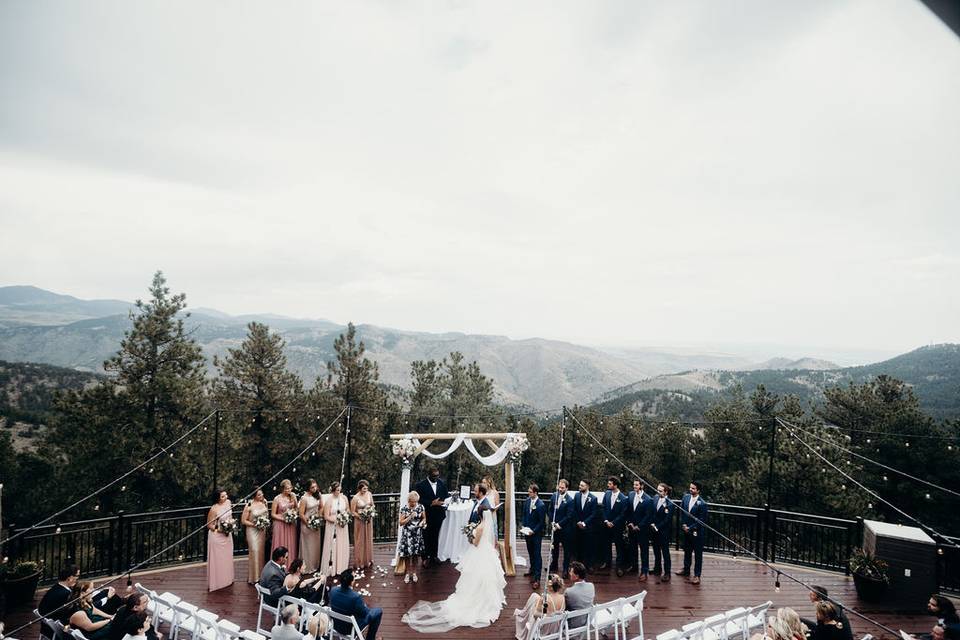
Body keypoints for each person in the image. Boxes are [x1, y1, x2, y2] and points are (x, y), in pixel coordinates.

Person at [402, 499, 506, 632]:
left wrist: (470, 535)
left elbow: (475, 543)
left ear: (479, 515)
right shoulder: (485, 525)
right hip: (486, 552)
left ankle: (476, 601)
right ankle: (486, 599)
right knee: (484, 577)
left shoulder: (480, 527)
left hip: (478, 552)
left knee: (475, 575)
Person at [330, 569, 383, 640]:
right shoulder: (355, 597)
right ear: (351, 582)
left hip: (336, 625)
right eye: (354, 577)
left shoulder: (333, 590)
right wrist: (364, 606)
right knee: (378, 611)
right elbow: (364, 614)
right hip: (351, 629)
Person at [413, 466, 449, 566]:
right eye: (434, 476)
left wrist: (443, 502)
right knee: (426, 536)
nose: (436, 478)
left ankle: (434, 556)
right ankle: (425, 558)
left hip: (438, 514)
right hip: (426, 514)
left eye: (437, 476)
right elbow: (418, 499)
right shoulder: (420, 485)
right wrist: (431, 503)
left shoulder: (441, 483)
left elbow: (446, 496)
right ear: (429, 475)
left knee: (435, 535)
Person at [514, 574, 565, 640]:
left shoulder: (545, 598)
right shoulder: (562, 597)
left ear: (550, 587)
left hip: (544, 628)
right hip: (555, 627)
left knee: (533, 605)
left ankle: (523, 615)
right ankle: (523, 613)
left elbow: (535, 615)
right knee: (534, 596)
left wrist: (536, 605)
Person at [676, 480, 708, 584]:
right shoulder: (685, 497)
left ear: (698, 490)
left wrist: (690, 528)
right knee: (687, 551)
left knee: (698, 554)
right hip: (686, 530)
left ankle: (697, 575)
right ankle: (686, 569)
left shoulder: (702, 504)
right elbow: (682, 512)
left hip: (697, 532)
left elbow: (701, 521)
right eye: (690, 487)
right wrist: (684, 525)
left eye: (693, 488)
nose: (691, 489)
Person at [599, 476, 629, 575]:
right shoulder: (607, 494)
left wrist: (614, 522)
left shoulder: (623, 498)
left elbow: (623, 514)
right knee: (606, 544)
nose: (608, 485)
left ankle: (619, 566)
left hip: (617, 526)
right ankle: (607, 562)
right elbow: (603, 508)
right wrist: (606, 521)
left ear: (615, 485)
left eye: (610, 484)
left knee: (618, 546)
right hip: (606, 525)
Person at [206, 489, 235, 591]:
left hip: (227, 535)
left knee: (227, 558)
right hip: (217, 537)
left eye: (226, 495)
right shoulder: (214, 509)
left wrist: (230, 525)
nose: (225, 497)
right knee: (218, 559)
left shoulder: (228, 503)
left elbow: (230, 517)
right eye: (223, 496)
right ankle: (217, 582)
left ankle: (227, 579)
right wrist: (220, 529)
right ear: (218, 498)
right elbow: (209, 525)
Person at [626, 479, 654, 582]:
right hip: (631, 527)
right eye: (634, 484)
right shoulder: (630, 495)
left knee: (644, 551)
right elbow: (628, 510)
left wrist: (639, 526)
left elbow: (648, 516)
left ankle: (644, 571)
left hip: (642, 530)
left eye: (637, 485)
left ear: (642, 486)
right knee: (632, 548)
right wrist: (630, 522)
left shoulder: (648, 499)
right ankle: (634, 566)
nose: (634, 486)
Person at [321, 481, 350, 576]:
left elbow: (347, 510)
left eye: (340, 489)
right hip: (332, 526)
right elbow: (326, 516)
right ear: (333, 491)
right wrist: (336, 520)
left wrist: (345, 518)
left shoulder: (344, 498)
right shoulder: (329, 501)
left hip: (343, 526)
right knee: (333, 545)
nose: (339, 491)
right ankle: (332, 568)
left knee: (342, 544)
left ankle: (342, 567)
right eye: (337, 490)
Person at [241, 488, 270, 583]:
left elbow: (267, 515)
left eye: (262, 494)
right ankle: (253, 577)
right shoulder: (249, 505)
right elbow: (243, 520)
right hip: (252, 531)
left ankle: (261, 575)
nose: (261, 496)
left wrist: (264, 523)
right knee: (254, 550)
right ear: (254, 496)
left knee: (261, 552)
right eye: (259, 495)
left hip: (262, 531)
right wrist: (255, 525)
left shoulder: (264, 502)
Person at [398, 490, 426, 584]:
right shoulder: (404, 509)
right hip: (407, 535)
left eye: (415, 501)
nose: (414, 503)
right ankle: (407, 573)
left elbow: (424, 518)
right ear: (409, 501)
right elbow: (401, 523)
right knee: (407, 555)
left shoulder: (421, 507)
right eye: (412, 502)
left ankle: (414, 573)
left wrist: (423, 523)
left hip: (417, 534)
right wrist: (410, 517)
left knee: (415, 555)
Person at [521, 484, 546, 588]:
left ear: (535, 493)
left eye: (530, 492)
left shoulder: (541, 505)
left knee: (537, 554)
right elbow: (524, 515)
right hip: (527, 532)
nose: (528, 493)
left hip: (536, 534)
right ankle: (532, 569)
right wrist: (524, 526)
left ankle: (537, 578)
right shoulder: (527, 502)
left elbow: (541, 522)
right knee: (530, 552)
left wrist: (534, 531)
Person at [548, 479, 574, 579]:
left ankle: (565, 569)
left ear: (567, 488)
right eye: (559, 487)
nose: (560, 489)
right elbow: (550, 510)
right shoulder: (554, 496)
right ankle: (554, 565)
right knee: (554, 547)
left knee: (566, 550)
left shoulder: (570, 500)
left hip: (565, 529)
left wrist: (559, 524)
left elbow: (569, 516)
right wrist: (552, 521)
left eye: (562, 488)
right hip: (555, 527)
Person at [271, 480, 299, 568]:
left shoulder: (293, 496)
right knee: (281, 543)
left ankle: (290, 565)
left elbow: (297, 508)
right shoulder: (277, 498)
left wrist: (293, 515)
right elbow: (273, 514)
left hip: (290, 524)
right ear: (282, 489)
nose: (289, 490)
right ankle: (278, 566)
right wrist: (284, 519)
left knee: (290, 544)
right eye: (287, 489)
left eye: (290, 488)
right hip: (280, 524)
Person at [571, 480, 598, 569]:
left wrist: (584, 523)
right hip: (577, 526)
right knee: (578, 546)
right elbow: (574, 510)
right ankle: (578, 566)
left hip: (588, 527)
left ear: (587, 487)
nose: (580, 486)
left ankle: (589, 565)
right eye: (580, 485)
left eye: (582, 485)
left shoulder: (593, 498)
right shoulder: (577, 495)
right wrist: (578, 521)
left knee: (588, 546)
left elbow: (593, 514)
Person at [650, 482, 674, 582]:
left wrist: (657, 526)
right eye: (657, 490)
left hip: (663, 531)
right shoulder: (655, 498)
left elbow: (667, 519)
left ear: (666, 492)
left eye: (660, 491)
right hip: (654, 529)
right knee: (656, 550)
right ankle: (657, 568)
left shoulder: (669, 503)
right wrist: (652, 524)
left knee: (665, 552)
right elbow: (652, 512)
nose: (658, 492)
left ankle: (667, 572)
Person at [298, 479, 323, 573]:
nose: (315, 488)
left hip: (316, 524)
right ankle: (307, 567)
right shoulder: (304, 498)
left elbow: (321, 507)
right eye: (312, 487)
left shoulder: (318, 495)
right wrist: (308, 523)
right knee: (307, 547)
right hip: (307, 525)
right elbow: (301, 514)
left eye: (315, 486)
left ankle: (315, 565)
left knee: (315, 546)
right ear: (308, 488)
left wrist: (318, 517)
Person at [351, 479, 375, 569]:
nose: (366, 490)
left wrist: (370, 512)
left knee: (368, 538)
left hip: (368, 520)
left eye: (367, 488)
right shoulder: (355, 498)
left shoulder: (369, 494)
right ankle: (360, 561)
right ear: (360, 489)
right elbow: (352, 511)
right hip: (360, 521)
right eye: (364, 488)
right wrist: (360, 516)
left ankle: (368, 559)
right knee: (360, 540)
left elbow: (372, 505)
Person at [564, 562, 595, 630]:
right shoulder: (591, 586)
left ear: (577, 576)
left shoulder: (569, 592)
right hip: (587, 620)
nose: (569, 573)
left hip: (573, 624)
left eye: (571, 572)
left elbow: (563, 607)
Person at [482, 474, 501, 543]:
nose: (482, 484)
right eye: (482, 482)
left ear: (488, 483)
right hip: (484, 515)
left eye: (484, 482)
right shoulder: (483, 493)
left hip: (492, 515)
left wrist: (492, 509)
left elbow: (497, 505)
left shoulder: (495, 493)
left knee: (492, 531)